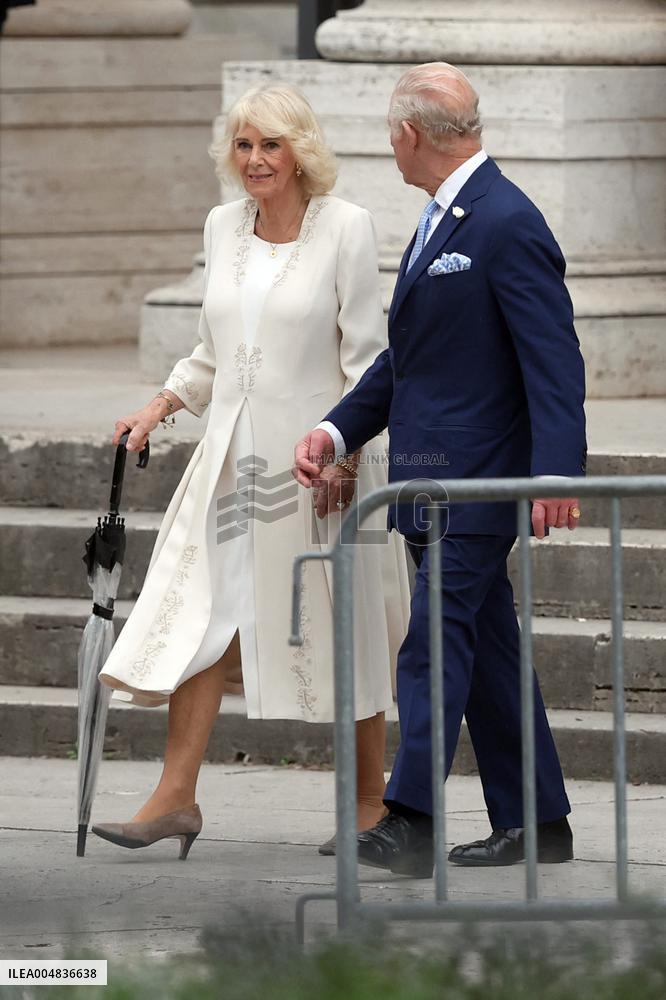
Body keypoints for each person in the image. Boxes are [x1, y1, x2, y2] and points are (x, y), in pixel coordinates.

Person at [93, 84, 410, 859]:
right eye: (243, 146)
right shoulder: (221, 225)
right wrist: (161, 405)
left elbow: (370, 361)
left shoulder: (348, 228)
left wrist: (348, 453)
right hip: (230, 465)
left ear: (302, 150)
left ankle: (370, 804)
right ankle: (175, 797)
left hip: (317, 467)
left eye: (271, 144)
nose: (256, 160)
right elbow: (213, 353)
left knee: (346, 622)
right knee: (203, 617)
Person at [294, 62, 587, 876]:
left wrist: (556, 474)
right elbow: (410, 365)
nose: (390, 146)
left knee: (430, 644)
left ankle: (410, 817)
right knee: (487, 651)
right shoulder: (444, 217)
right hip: (432, 482)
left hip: (476, 484)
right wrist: (335, 427)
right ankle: (538, 824)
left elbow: (554, 359)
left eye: (391, 134)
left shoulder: (504, 219)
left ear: (409, 135)